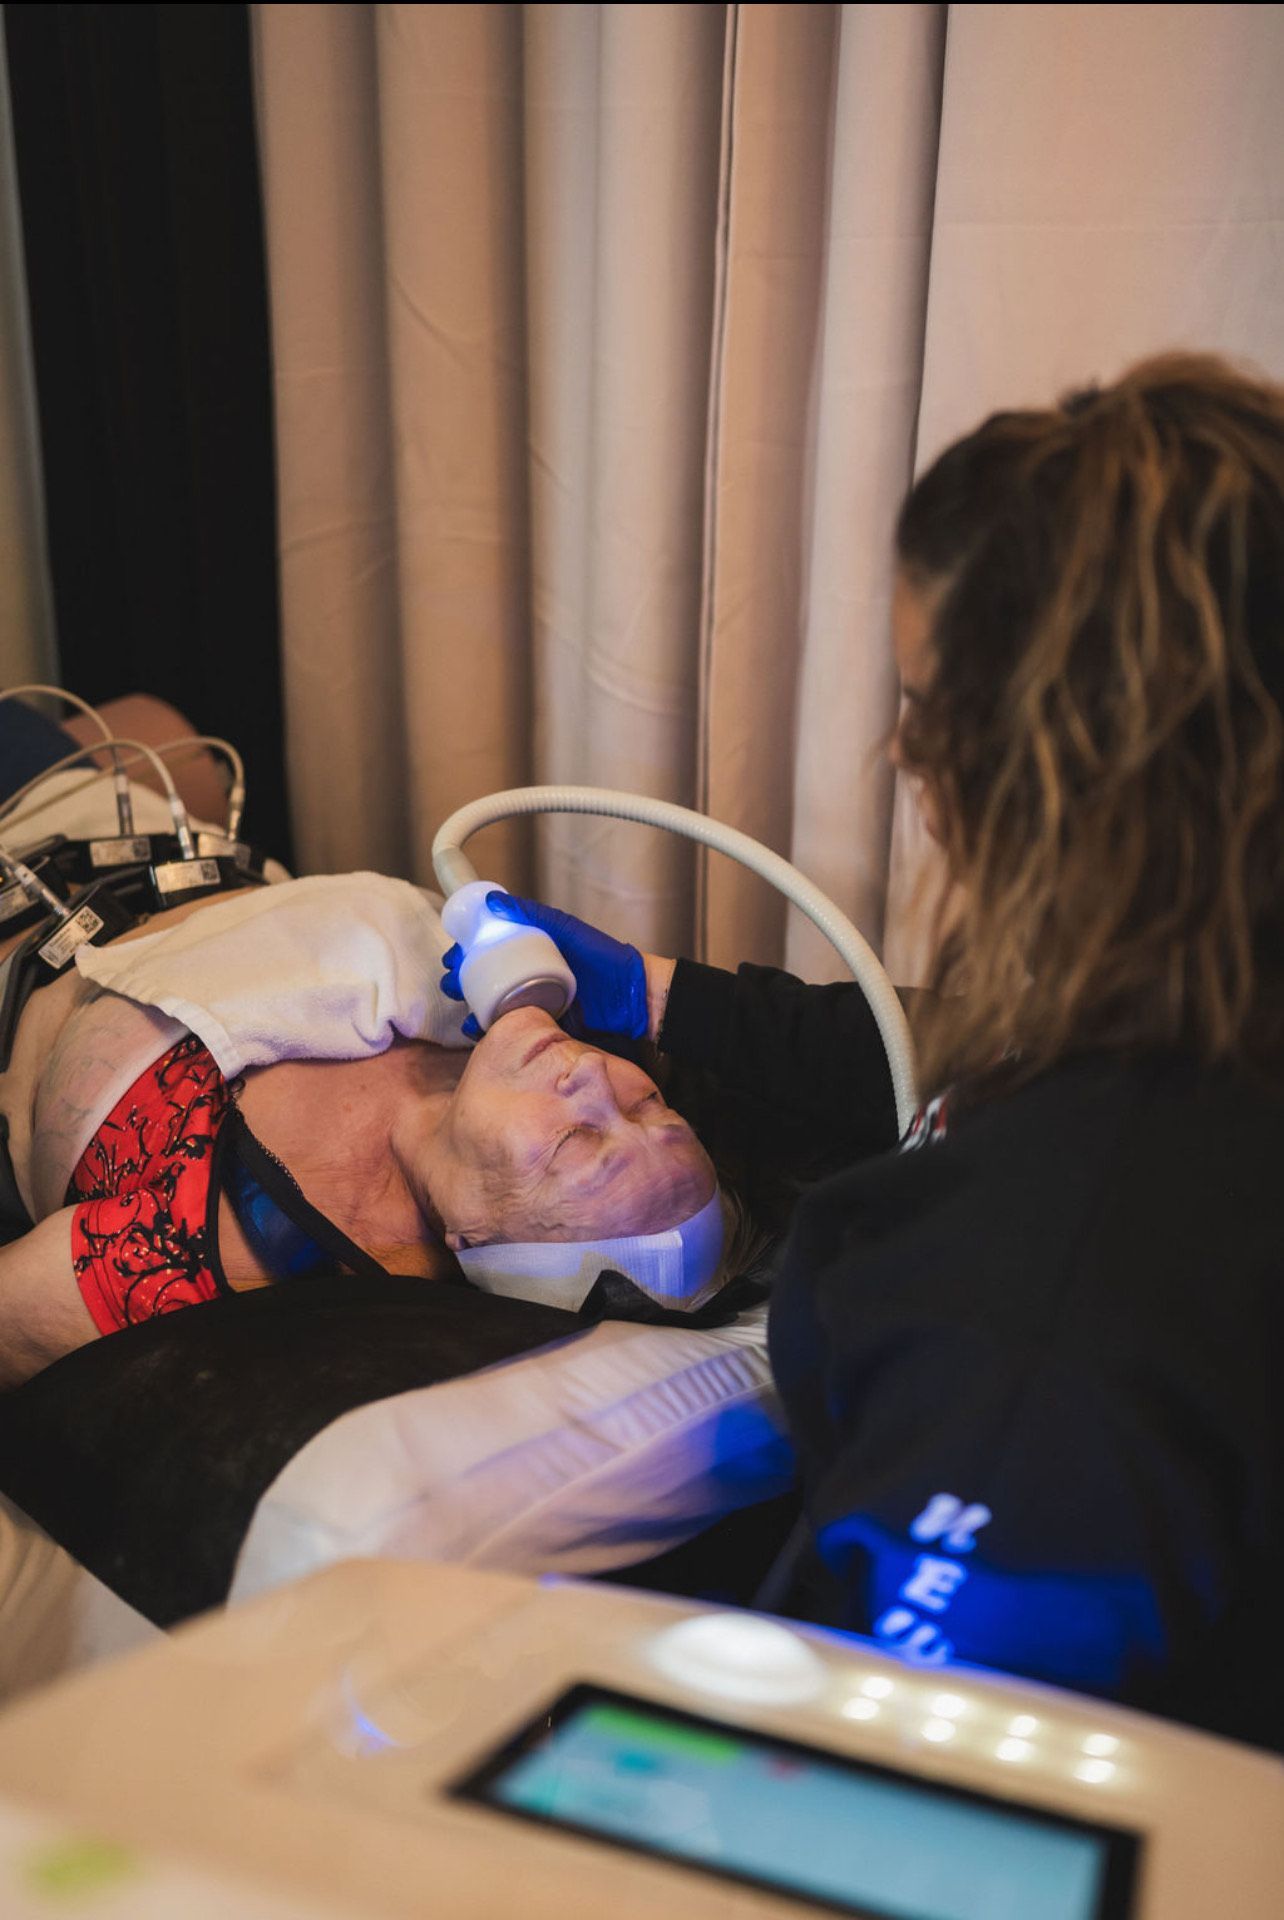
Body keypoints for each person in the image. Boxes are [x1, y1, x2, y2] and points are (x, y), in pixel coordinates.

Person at [445, 354, 1284, 1751]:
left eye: (922, 701)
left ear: (1042, 767)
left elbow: (906, 1771)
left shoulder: (1034, 1330)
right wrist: (660, 995)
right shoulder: (1208, 998)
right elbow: (977, 1046)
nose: (902, 752)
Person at [0, 870, 720, 1392]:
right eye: (650, 1108)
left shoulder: (217, 1258)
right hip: (161, 832)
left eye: (576, 1144)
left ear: (478, 1235)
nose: (597, 1084)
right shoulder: (531, 1013)